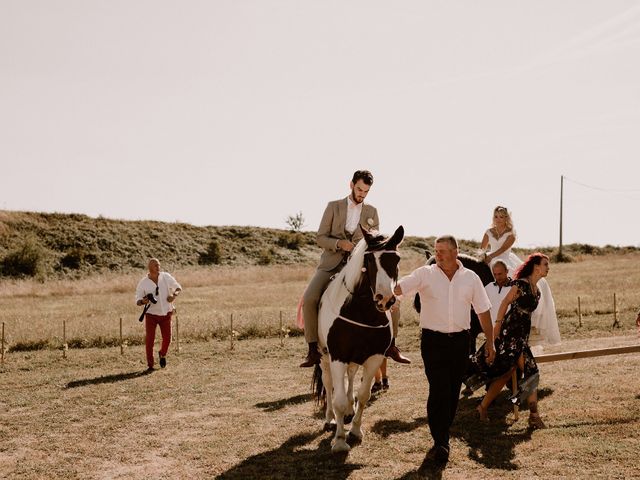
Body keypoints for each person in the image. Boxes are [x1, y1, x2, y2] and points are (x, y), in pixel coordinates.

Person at [394, 235, 495, 465]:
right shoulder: (425, 273)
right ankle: (441, 442)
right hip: (433, 343)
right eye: (435, 250)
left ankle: (442, 435)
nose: (436, 255)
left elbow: (483, 311)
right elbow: (402, 286)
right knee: (438, 388)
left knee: (451, 393)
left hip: (461, 342)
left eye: (441, 251)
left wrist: (490, 342)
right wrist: (388, 294)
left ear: (455, 252)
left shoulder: (471, 278)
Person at [299, 170, 409, 367]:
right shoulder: (333, 207)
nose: (362, 194)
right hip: (331, 265)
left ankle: (391, 346)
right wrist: (340, 244)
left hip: (360, 268)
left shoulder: (372, 211)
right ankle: (312, 349)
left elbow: (374, 242)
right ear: (351, 185)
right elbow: (320, 238)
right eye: (359, 189)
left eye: (366, 192)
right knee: (310, 299)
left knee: (391, 298)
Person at [466, 253, 551, 429]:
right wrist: (496, 329)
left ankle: (486, 408)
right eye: (545, 264)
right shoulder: (520, 285)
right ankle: (530, 415)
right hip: (509, 334)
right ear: (536, 267)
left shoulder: (537, 290)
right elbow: (504, 304)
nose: (548, 268)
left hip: (521, 336)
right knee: (520, 371)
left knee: (518, 372)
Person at [480, 206, 560, 346]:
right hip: (490, 260)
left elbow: (503, 249)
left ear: (506, 218)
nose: (499, 219)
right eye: (496, 216)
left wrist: (491, 256)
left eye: (502, 216)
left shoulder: (511, 233)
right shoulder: (488, 232)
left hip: (503, 259)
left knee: (515, 278)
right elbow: (482, 248)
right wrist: (482, 257)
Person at [135, 258, 182, 370]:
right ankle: (150, 365)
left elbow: (178, 287)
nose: (158, 267)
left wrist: (174, 295)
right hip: (151, 315)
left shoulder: (165, 276)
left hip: (166, 313)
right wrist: (143, 301)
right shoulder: (143, 282)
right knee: (149, 340)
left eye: (159, 265)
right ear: (150, 267)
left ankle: (162, 353)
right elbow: (137, 299)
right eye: (156, 265)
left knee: (167, 339)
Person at [485, 260, 512, 326]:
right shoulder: (488, 287)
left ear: (507, 271)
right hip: (492, 329)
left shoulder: (514, 288)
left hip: (509, 328)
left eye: (500, 274)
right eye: (495, 274)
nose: (497, 277)